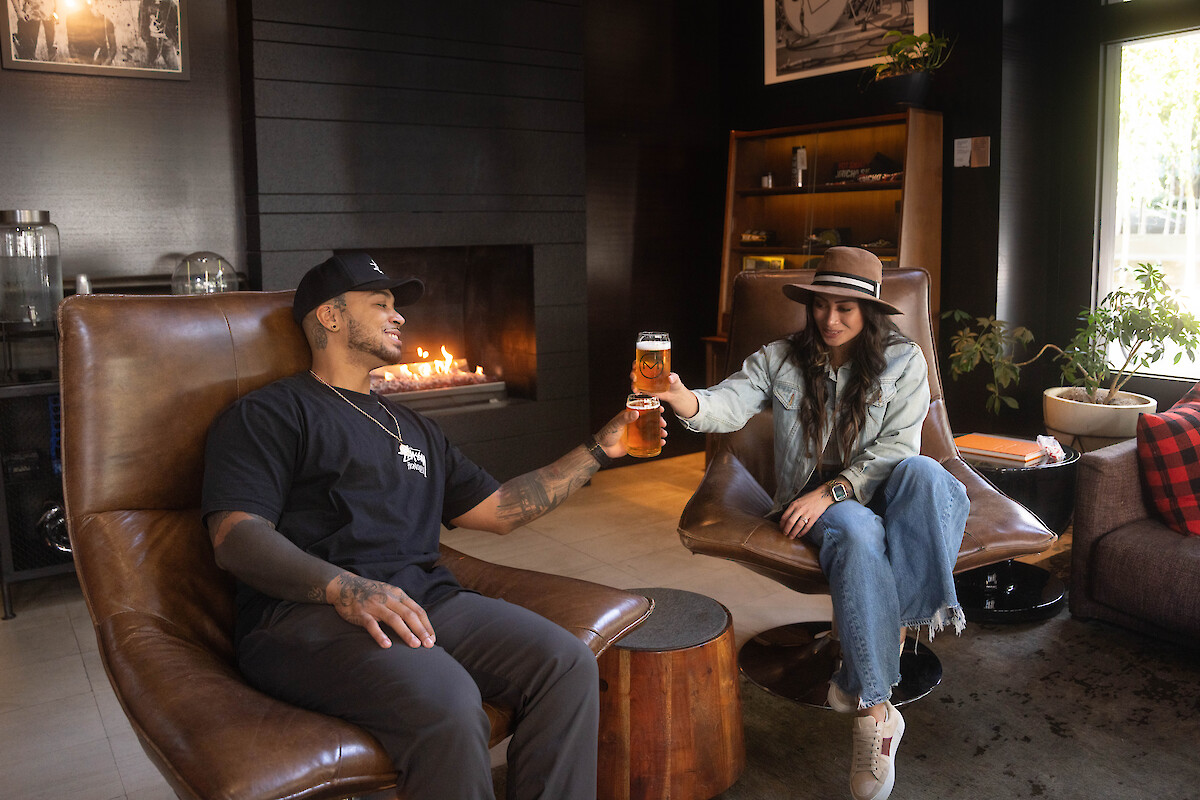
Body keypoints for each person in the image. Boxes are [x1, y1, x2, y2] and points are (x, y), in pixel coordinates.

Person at [200, 252, 663, 800]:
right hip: (306, 615)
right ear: (329, 316)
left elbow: (499, 509)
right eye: (380, 304)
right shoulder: (271, 413)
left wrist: (600, 448)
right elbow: (236, 538)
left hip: (424, 600)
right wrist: (345, 588)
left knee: (566, 664)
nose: (398, 317)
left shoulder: (413, 425)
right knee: (447, 700)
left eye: (397, 307)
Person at [647, 247, 968, 800]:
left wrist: (835, 489)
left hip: (885, 490)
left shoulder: (904, 358)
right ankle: (875, 711)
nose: (830, 320)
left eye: (845, 308)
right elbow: (727, 404)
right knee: (859, 531)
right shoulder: (780, 358)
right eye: (821, 306)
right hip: (827, 506)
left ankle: (876, 649)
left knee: (926, 474)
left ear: (870, 311)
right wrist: (681, 397)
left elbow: (898, 448)